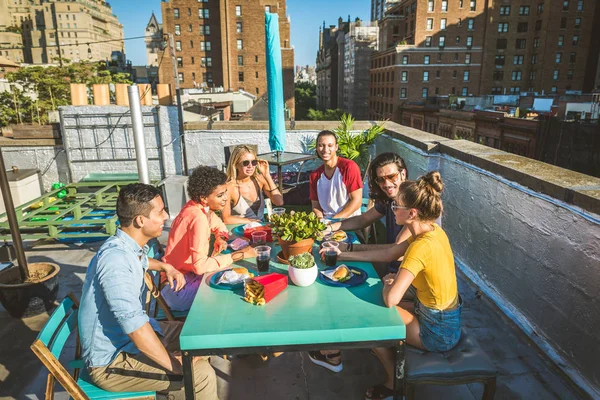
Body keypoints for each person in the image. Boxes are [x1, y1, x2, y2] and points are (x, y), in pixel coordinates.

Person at [322, 171, 461, 400]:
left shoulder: (420, 247)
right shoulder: (431, 231)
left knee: (371, 317)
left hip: (438, 332)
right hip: (444, 316)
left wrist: (390, 282)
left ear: (412, 213)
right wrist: (342, 255)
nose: (393, 209)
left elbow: (391, 298)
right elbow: (389, 253)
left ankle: (393, 384)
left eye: (397, 206)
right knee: (376, 297)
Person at [78, 183, 217, 398]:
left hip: (137, 337)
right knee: (199, 373)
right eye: (160, 211)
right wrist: (176, 365)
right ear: (140, 220)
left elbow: (139, 260)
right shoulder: (115, 261)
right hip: (112, 361)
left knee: (199, 337)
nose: (166, 216)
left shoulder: (126, 247)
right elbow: (136, 330)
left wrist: (164, 266)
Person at [161, 166, 257, 311]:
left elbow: (216, 222)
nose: (225, 198)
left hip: (181, 279)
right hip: (178, 290)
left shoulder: (196, 207)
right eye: (220, 195)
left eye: (225, 193)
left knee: (231, 274)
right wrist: (240, 254)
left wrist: (221, 237)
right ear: (204, 198)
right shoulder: (198, 218)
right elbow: (200, 267)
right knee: (236, 285)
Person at [322, 152, 411, 277]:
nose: (386, 184)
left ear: (403, 174)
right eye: (381, 179)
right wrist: (331, 227)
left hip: (407, 275)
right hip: (392, 266)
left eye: (392, 176)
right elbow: (363, 219)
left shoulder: (414, 203)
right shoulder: (389, 199)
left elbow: (396, 250)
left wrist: (347, 249)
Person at [222, 145, 284, 224]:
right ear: (236, 164)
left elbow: (279, 202)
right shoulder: (230, 187)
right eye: (246, 162)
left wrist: (267, 175)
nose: (250, 166)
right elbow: (226, 219)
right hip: (239, 232)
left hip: (261, 231)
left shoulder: (259, 180)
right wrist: (250, 221)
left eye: (254, 162)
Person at [309, 130, 363, 219]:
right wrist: (320, 221)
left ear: (336, 147)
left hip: (348, 222)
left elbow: (356, 201)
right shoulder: (314, 176)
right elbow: (315, 206)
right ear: (317, 148)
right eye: (321, 145)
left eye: (330, 145)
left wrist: (334, 221)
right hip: (326, 224)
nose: (325, 149)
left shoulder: (349, 167)